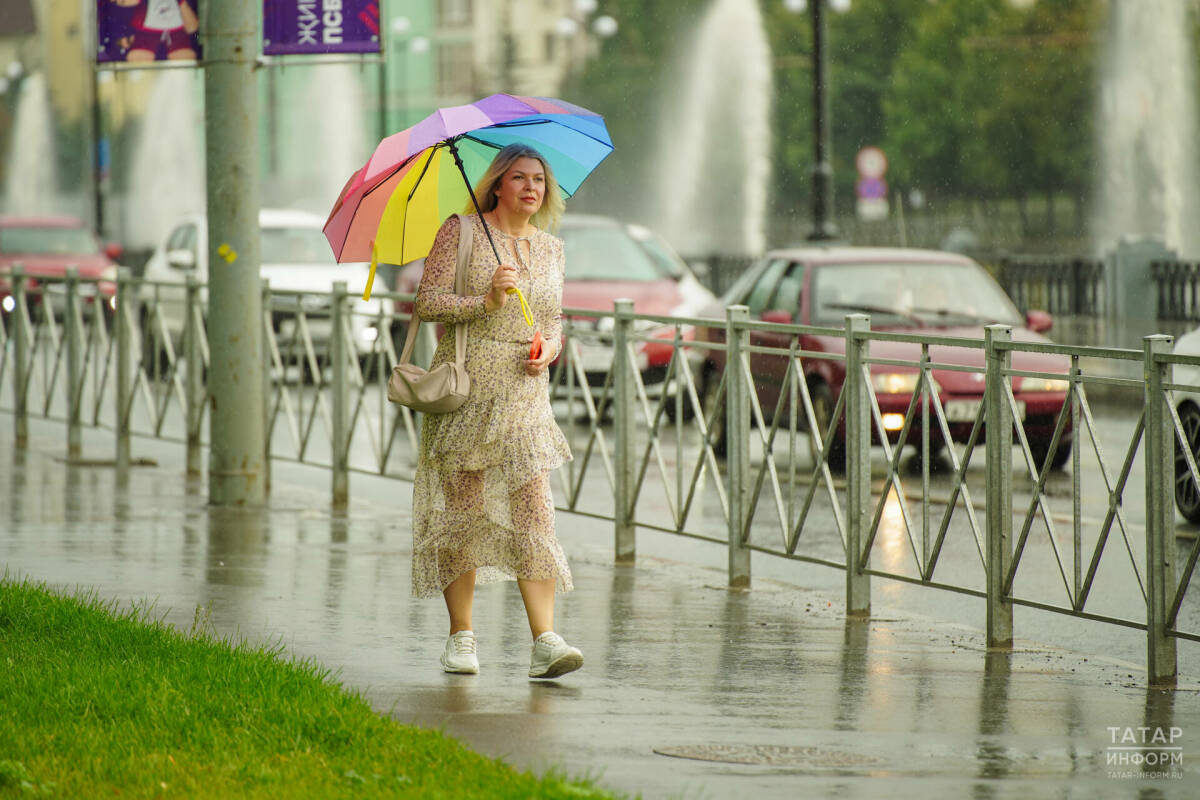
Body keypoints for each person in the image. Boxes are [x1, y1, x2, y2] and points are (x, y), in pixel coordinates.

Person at [410, 144, 581, 679]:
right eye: (520, 178)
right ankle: (461, 638)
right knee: (463, 511)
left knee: (535, 509)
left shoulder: (551, 249)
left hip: (526, 392)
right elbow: (427, 301)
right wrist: (485, 301)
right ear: (498, 185)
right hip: (468, 387)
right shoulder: (461, 232)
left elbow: (553, 320)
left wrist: (549, 348)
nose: (532, 188)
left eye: (540, 180)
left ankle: (545, 641)